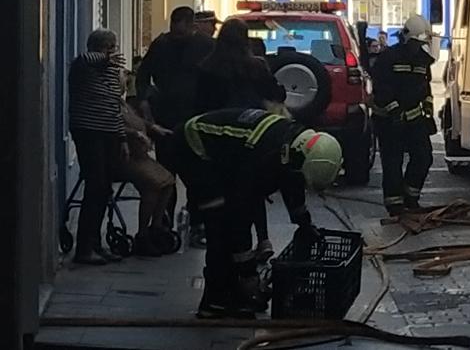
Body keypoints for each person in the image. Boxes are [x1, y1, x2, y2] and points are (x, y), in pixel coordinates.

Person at [165, 108, 342, 318]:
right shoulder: (264, 156)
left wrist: (304, 223)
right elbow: (240, 216)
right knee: (219, 224)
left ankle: (232, 291)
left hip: (224, 153)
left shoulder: (292, 148)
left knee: (229, 221)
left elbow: (292, 182)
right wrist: (248, 273)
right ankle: (214, 301)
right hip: (193, 149)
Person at [195, 19, 288, 260]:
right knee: (252, 186)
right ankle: (262, 238)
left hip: (219, 136)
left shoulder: (207, 67)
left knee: (225, 187)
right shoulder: (255, 66)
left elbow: (200, 105)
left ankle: (226, 242)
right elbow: (277, 94)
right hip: (252, 133)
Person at [135, 6, 215, 245]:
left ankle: (198, 223)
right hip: (166, 119)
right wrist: (144, 101)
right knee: (166, 173)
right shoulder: (161, 45)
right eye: (174, 31)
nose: (176, 36)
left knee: (196, 175)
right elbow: (143, 75)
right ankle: (163, 222)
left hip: (195, 120)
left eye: (181, 32)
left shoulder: (206, 46)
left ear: (192, 26)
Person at [68, 29, 129, 265]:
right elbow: (84, 58)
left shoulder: (111, 72)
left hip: (109, 134)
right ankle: (84, 247)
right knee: (95, 185)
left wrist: (122, 138)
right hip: (88, 131)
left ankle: (95, 242)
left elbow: (115, 106)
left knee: (104, 189)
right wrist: (104, 58)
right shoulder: (83, 66)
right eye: (109, 47)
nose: (113, 51)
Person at [371, 14, 439, 216]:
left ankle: (411, 196)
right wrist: (394, 110)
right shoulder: (388, 58)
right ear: (407, 38)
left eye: (421, 44)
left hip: (414, 117)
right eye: (416, 43)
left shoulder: (423, 61)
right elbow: (381, 88)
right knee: (392, 162)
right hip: (389, 120)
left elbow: (425, 87)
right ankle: (394, 204)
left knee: (424, 157)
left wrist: (427, 109)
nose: (418, 47)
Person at [117, 101, 177, 257]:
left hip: (141, 156)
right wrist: (135, 134)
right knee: (152, 184)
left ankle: (156, 226)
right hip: (126, 157)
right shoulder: (109, 105)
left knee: (168, 181)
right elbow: (114, 127)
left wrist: (152, 127)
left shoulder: (124, 104)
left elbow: (138, 121)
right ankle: (142, 235)